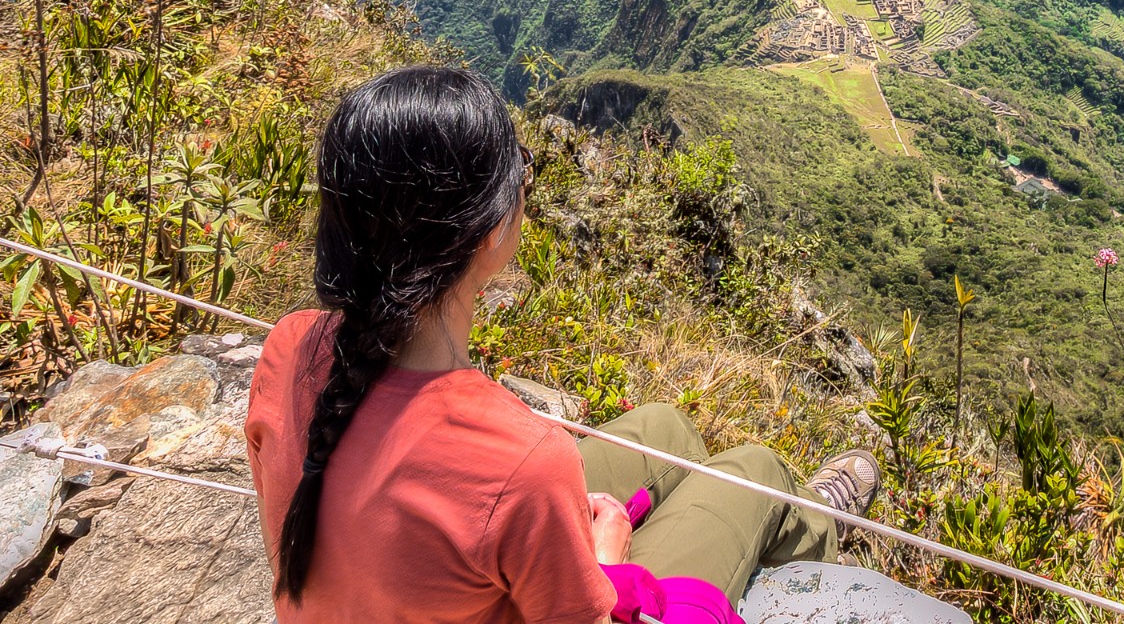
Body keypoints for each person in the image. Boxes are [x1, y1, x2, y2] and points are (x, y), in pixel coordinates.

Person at [245, 65, 879, 623]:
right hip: (555, 570)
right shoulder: (524, 461)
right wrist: (604, 560)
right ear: (488, 231)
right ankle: (811, 517)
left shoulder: (290, 349)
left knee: (668, 430)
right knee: (754, 472)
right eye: (519, 170)